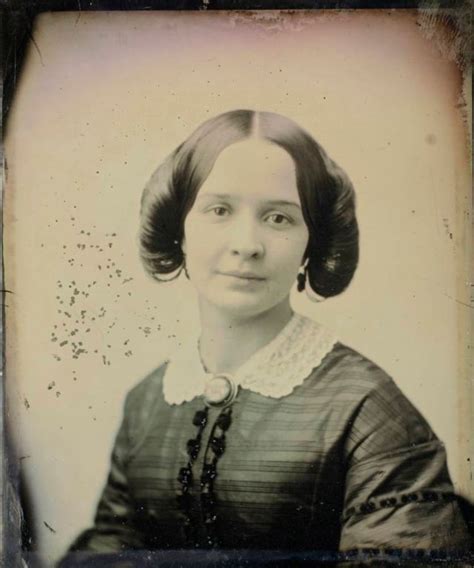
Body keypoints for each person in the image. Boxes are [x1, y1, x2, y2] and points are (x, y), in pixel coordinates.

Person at [60, 110, 470, 565]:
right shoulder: (146, 404)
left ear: (310, 247)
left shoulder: (368, 407)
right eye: (219, 210)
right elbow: (108, 552)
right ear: (180, 228)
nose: (247, 244)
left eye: (278, 218)